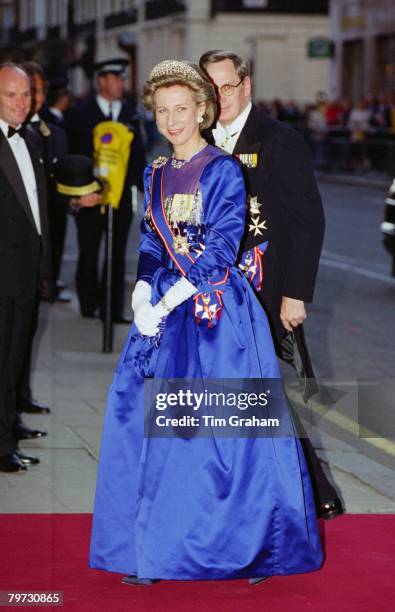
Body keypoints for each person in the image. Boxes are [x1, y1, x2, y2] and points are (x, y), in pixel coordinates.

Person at [89, 60, 323, 584]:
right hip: (165, 318)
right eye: (162, 112)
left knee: (234, 438)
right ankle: (156, 547)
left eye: (182, 110)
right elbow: (152, 240)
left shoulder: (223, 170)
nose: (172, 121)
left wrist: (168, 300)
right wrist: (144, 288)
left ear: (202, 110)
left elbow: (218, 249)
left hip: (217, 317)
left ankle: (256, 547)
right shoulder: (153, 172)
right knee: (158, 432)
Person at [199, 49, 342, 520]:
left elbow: (308, 220)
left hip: (266, 288)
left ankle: (311, 483)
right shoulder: (198, 142)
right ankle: (243, 486)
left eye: (226, 86)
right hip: (214, 291)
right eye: (211, 88)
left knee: (269, 389)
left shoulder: (279, 140)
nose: (220, 96)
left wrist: (296, 292)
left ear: (246, 86)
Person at [0, 63, 53, 472]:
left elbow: (39, 212)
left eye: (25, 95)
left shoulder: (34, 140)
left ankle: (8, 434)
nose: (21, 103)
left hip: (27, 270)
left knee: (15, 358)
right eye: (11, 95)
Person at [68, 58, 146, 323]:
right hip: (90, 195)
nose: (121, 84)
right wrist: (78, 193)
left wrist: (142, 185)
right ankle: (89, 305)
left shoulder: (130, 114)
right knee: (89, 250)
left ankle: (112, 309)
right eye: (116, 79)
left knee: (117, 252)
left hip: (121, 195)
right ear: (102, 81)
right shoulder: (81, 113)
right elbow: (74, 154)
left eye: (122, 79)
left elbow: (138, 153)